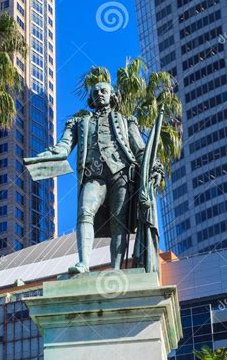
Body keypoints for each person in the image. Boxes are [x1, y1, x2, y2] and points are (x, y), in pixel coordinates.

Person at [33, 80, 163, 274]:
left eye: (104, 90)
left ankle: (116, 269)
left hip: (122, 175)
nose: (99, 94)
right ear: (91, 98)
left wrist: (154, 168)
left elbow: (140, 149)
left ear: (112, 95)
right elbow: (64, 145)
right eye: (95, 92)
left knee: (118, 223)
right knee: (85, 211)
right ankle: (83, 263)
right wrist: (50, 155)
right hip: (94, 175)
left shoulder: (126, 121)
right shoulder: (79, 123)